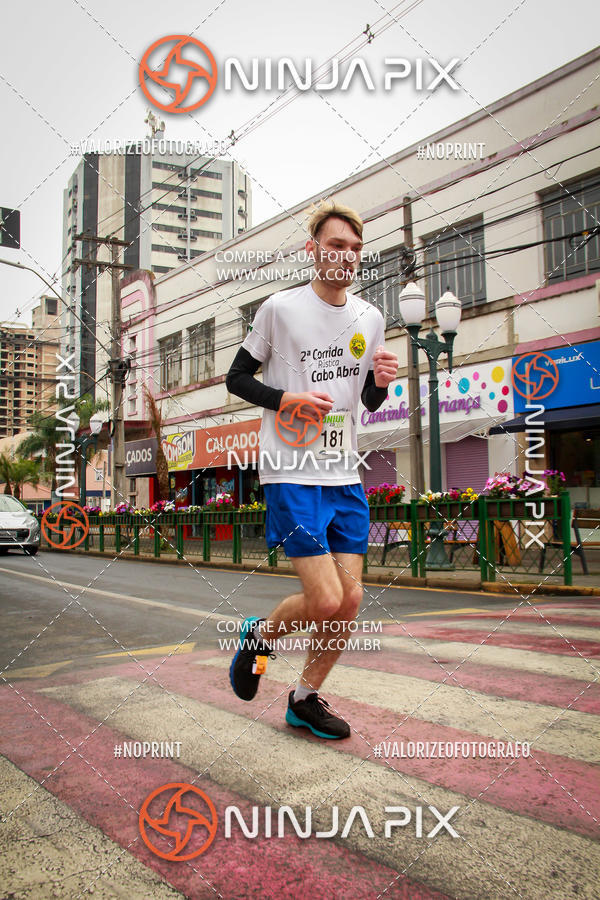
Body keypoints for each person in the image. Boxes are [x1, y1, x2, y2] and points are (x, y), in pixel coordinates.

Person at [225, 200, 398, 739]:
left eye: (354, 248)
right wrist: (287, 399)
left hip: (344, 472)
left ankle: (303, 699)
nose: (346, 255)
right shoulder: (279, 309)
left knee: (350, 600)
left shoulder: (370, 318)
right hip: (291, 470)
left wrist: (382, 383)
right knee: (324, 599)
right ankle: (260, 639)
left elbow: (366, 400)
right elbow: (236, 378)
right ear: (313, 249)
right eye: (335, 245)